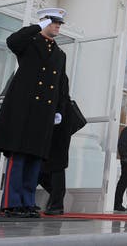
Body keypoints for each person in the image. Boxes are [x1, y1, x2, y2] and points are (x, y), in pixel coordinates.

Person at [0, 8, 70, 218]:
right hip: (24, 110)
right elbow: (12, 41)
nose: (58, 26)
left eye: (60, 23)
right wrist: (36, 27)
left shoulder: (60, 54)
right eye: (53, 22)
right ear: (44, 23)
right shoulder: (29, 44)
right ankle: (12, 203)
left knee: (35, 158)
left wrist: (59, 110)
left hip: (44, 113)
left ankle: (27, 201)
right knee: (19, 156)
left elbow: (61, 85)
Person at [38, 78, 86, 216]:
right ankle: (55, 199)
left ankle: (56, 203)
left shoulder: (58, 75)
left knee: (56, 166)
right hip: (52, 125)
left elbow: (61, 96)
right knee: (44, 168)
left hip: (60, 124)